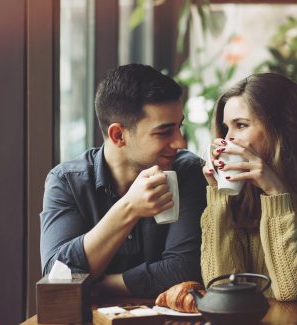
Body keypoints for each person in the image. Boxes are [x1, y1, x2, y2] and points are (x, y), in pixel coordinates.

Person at [199, 73, 297, 325]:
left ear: (281, 129)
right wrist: (219, 199)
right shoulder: (241, 197)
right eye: (225, 127)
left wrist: (275, 195)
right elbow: (219, 288)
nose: (227, 139)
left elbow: (290, 289)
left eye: (240, 125)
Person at [39, 63, 207, 297]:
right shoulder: (67, 182)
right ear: (118, 135)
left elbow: (185, 270)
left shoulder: (187, 172)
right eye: (165, 131)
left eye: (180, 127)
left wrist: (95, 286)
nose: (181, 143)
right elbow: (58, 278)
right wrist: (129, 208)